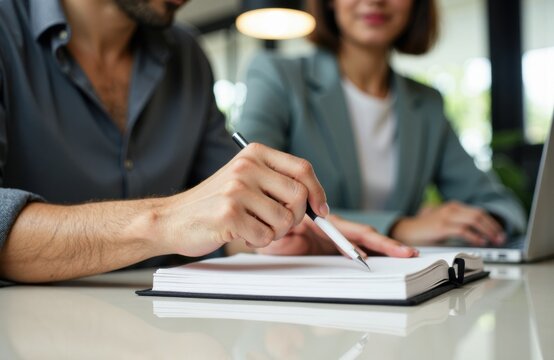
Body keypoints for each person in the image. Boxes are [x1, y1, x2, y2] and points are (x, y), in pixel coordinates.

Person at [0, 0, 416, 284]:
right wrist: (160, 221)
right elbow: (183, 215)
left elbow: (225, 207)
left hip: (167, 327)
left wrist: (274, 229)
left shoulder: (186, 54)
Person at [236, 0, 527, 254]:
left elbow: (500, 206)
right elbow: (252, 198)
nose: (375, 1)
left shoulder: (426, 103)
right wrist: (399, 227)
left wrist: (483, 224)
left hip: (403, 282)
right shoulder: (279, 76)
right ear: (329, 2)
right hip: (305, 285)